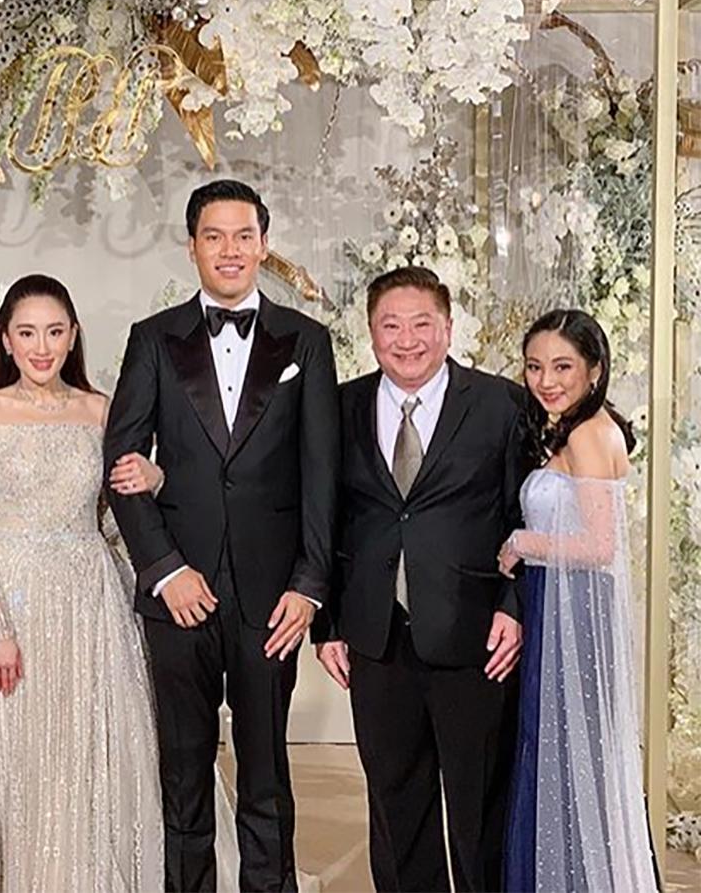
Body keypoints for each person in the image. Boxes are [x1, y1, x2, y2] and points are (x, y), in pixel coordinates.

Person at [104, 180, 340, 891]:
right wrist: (165, 569)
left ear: (264, 245)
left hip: (272, 599)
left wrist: (309, 584)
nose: (230, 250)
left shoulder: (307, 341)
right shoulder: (153, 338)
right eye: (214, 236)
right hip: (179, 595)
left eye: (244, 236)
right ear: (192, 248)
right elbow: (122, 465)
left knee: (267, 776)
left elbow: (322, 473)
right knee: (182, 777)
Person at [0, 274, 163, 891]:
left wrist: (155, 478)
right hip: (13, 599)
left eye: (54, 332)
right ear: (6, 340)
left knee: (85, 750)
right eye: (27, 333)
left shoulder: (99, 410)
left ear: (73, 336)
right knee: (16, 753)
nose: (41, 347)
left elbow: (113, 519)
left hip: (89, 602)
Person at [312, 265, 524, 892]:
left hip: (476, 637)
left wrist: (513, 605)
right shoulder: (340, 407)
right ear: (371, 332)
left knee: (481, 810)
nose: (407, 341)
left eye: (421, 324)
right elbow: (325, 518)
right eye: (390, 326)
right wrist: (327, 622)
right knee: (395, 809)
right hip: (376, 638)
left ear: (448, 327)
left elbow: (524, 516)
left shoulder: (499, 404)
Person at [499, 309, 657, 892]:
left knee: (570, 759)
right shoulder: (576, 427)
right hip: (560, 603)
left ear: (594, 369)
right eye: (535, 366)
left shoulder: (590, 432)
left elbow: (598, 545)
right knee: (564, 759)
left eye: (562, 367)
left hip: (575, 611)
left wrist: (521, 542)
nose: (547, 381)